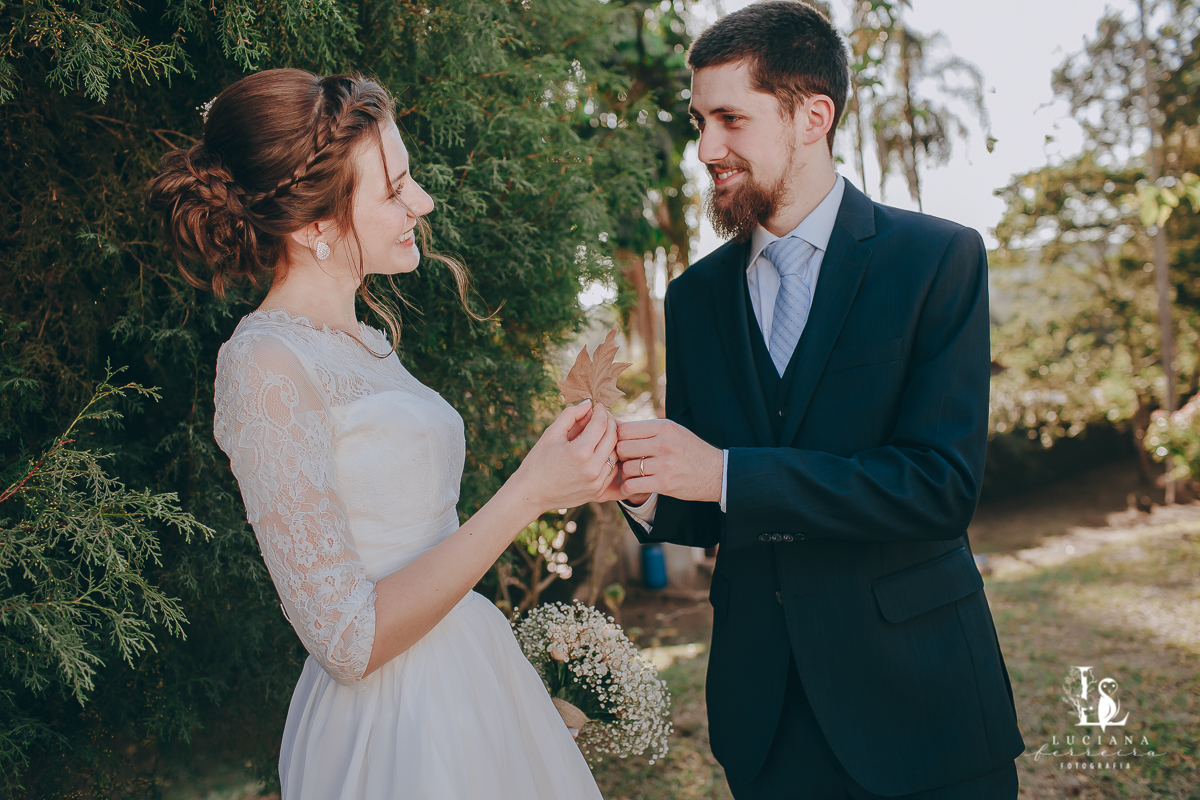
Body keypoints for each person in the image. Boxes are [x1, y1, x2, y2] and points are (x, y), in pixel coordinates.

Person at [147, 68, 611, 800]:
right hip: (395, 726)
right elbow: (346, 640)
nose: (421, 202)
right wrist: (529, 495)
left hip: (467, 675)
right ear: (314, 226)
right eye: (394, 190)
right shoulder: (264, 363)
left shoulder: (366, 342)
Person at [610, 2, 1026, 798]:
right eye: (700, 122)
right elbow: (708, 510)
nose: (706, 149)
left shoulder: (937, 259)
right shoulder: (694, 299)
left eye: (731, 119)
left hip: (922, 703)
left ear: (813, 116)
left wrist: (727, 473)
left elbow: (938, 487)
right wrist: (645, 486)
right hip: (767, 723)